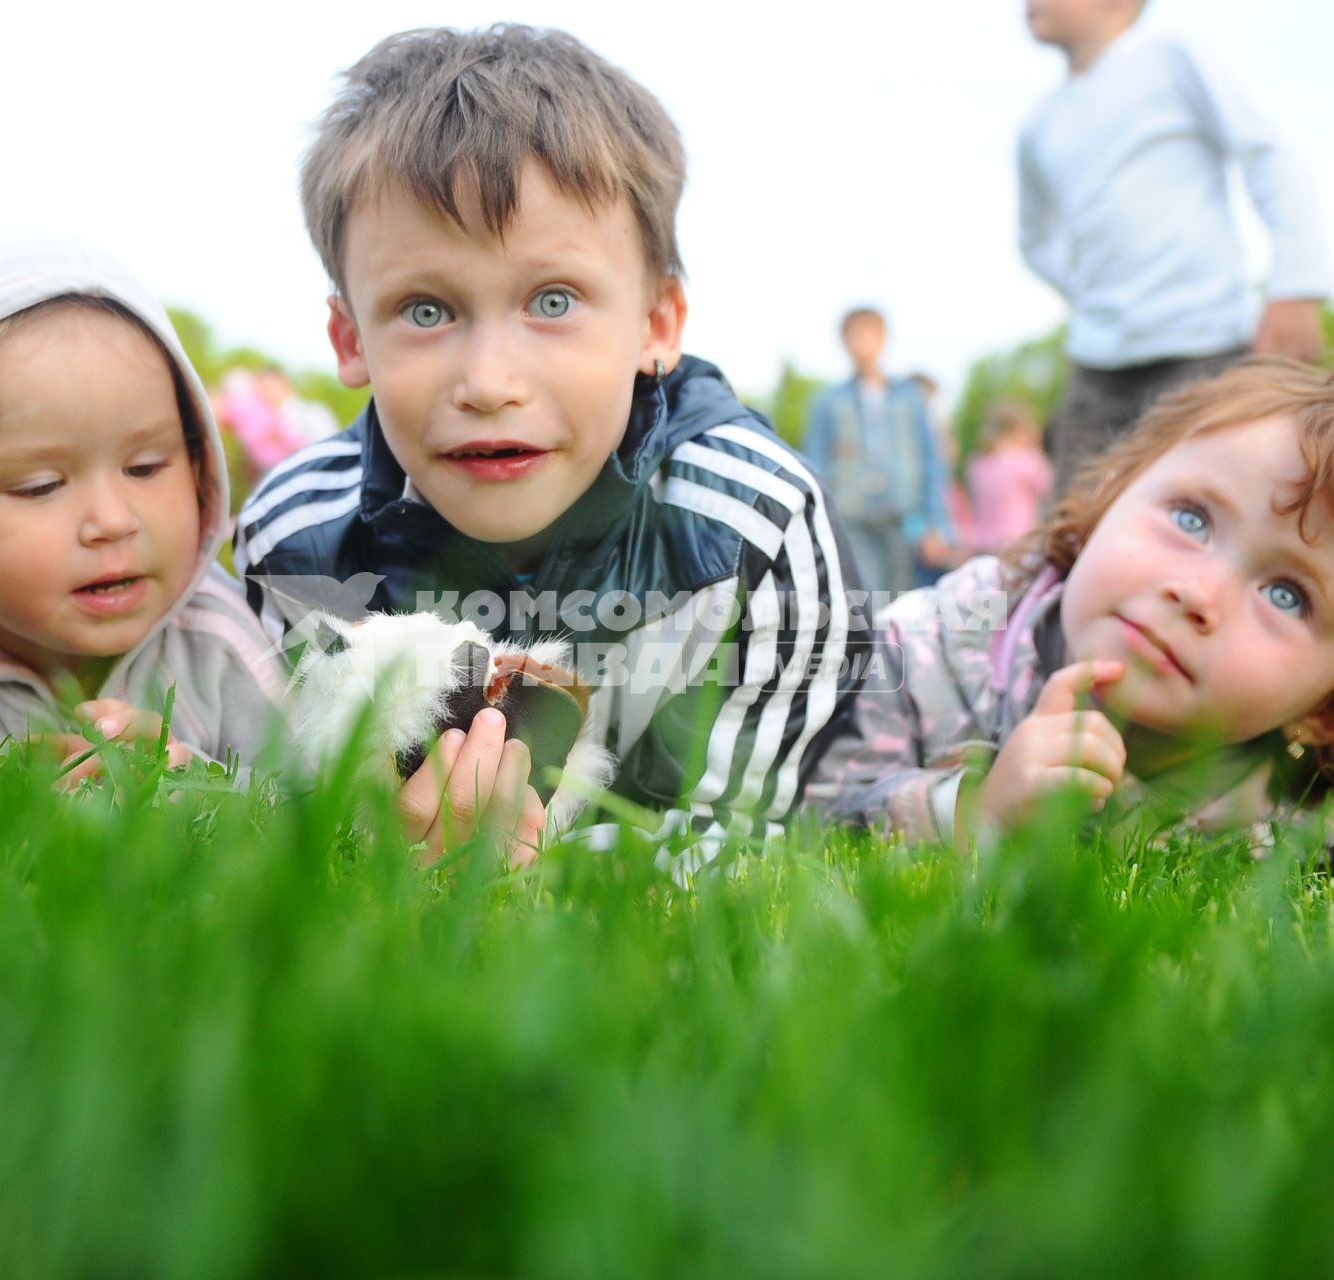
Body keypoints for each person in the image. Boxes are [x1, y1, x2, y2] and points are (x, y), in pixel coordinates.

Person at [234, 25, 870, 852]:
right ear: (351, 338)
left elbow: (731, 844)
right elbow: (281, 803)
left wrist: (512, 874)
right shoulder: (296, 540)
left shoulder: (755, 527)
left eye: (554, 301)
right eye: (425, 311)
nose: (491, 382)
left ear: (656, 321)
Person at [805, 360, 1334, 853]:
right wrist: (974, 815)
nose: (1197, 593)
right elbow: (798, 811)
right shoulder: (931, 646)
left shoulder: (1312, 825)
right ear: (1113, 495)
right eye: (1192, 519)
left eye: (1285, 594)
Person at [0, 234, 293, 784]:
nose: (113, 520)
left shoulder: (218, 642)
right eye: (40, 485)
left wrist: (198, 787)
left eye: (145, 468)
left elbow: (330, 815)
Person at [1018, 0, 1330, 491]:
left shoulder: (1170, 57)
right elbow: (1035, 242)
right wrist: (1097, 298)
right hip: (1097, 369)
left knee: (1217, 509)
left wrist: (1296, 282)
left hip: (1207, 350)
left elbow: (1268, 157)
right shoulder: (1039, 125)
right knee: (1070, 532)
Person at [804, 309, 956, 593]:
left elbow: (931, 463)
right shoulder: (829, 402)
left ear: (883, 338)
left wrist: (937, 524)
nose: (861, 344)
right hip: (853, 519)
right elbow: (815, 464)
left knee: (907, 599)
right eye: (854, 336)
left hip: (903, 517)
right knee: (865, 598)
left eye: (868, 335)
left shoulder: (909, 398)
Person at [964, 400, 1055, 555]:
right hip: (1017, 545)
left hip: (981, 545)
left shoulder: (977, 463)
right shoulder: (1028, 461)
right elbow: (1049, 489)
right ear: (1020, 429)